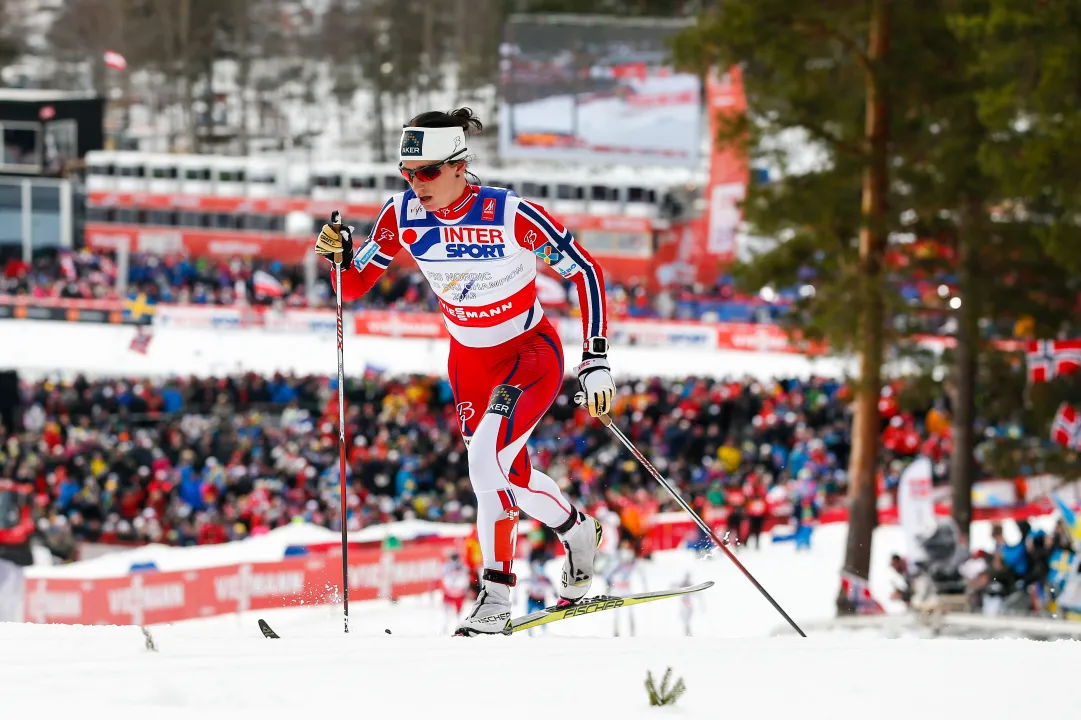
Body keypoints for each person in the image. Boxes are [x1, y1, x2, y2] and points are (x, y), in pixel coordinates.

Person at [314, 107, 615, 636]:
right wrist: (338, 260)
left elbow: (585, 270)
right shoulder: (401, 216)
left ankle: (496, 595)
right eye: (408, 173)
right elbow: (354, 285)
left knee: (484, 463)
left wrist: (595, 358)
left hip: (529, 352)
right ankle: (576, 529)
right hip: (468, 360)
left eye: (428, 171)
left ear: (459, 164)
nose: (416, 184)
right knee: (504, 477)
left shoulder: (509, 213)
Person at [605, 540, 647, 637]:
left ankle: (632, 631)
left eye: (627, 543)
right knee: (616, 611)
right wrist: (608, 586)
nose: (626, 545)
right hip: (617, 587)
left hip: (627, 587)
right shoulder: (616, 556)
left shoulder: (631, 556)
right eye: (624, 543)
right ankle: (616, 632)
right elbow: (608, 572)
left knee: (630, 611)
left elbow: (639, 569)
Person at [441, 550, 472, 634]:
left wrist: (467, 589)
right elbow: (444, 578)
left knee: (458, 612)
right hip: (451, 592)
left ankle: (459, 627)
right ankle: (445, 627)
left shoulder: (462, 566)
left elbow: (466, 578)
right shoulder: (446, 566)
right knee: (448, 612)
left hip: (457, 592)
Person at [523, 559, 555, 636]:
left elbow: (553, 586)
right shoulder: (532, 578)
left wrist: (555, 594)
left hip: (541, 601)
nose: (540, 576)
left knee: (543, 617)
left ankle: (544, 632)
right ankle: (529, 633)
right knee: (529, 616)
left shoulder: (547, 579)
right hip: (532, 600)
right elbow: (521, 582)